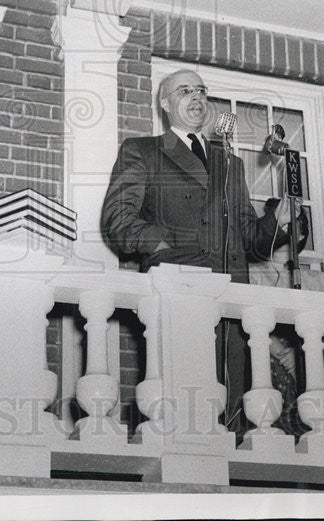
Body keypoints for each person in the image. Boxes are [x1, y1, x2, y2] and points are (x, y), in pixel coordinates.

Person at [100, 68, 289, 430]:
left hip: (232, 300)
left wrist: (278, 221)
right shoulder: (143, 150)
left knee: (231, 410)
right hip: (179, 293)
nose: (197, 97)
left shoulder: (229, 163)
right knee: (181, 409)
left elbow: (250, 238)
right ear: (165, 103)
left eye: (202, 90)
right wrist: (168, 249)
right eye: (185, 90)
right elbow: (118, 221)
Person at [250, 199, 324, 440]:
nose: (288, 228)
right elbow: (250, 326)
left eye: (294, 223)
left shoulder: (318, 280)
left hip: (312, 358)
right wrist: (284, 355)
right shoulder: (252, 273)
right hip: (270, 357)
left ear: (302, 234)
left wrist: (301, 355)